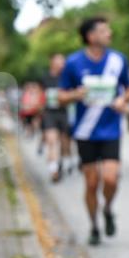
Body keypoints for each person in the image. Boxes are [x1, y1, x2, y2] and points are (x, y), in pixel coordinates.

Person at [58, 17, 129, 246]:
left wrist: (122, 100)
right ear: (91, 36)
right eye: (103, 30)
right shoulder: (73, 63)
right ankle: (93, 226)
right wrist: (75, 95)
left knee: (110, 179)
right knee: (91, 183)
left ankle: (108, 208)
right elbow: (60, 96)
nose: (109, 32)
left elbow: (128, 89)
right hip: (85, 131)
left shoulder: (118, 60)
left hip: (111, 129)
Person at [41, 53, 71, 183]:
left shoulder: (67, 78)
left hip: (64, 113)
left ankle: (63, 162)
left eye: (63, 61)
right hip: (49, 113)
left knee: (65, 144)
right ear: (52, 62)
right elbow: (39, 95)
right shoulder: (44, 79)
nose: (62, 64)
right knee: (52, 141)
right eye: (59, 61)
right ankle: (54, 171)